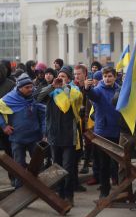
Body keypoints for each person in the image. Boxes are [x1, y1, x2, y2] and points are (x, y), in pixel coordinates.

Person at [37, 66, 83, 206]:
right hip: (54, 135)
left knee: (68, 167)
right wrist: (52, 86)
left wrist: (65, 88)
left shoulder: (74, 91)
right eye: (59, 76)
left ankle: (69, 196)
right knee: (56, 166)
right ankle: (60, 194)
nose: (61, 79)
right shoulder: (52, 92)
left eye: (64, 77)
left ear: (69, 79)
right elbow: (38, 97)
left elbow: (76, 99)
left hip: (69, 136)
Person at [0, 74, 46, 188]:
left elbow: (44, 115)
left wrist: (45, 133)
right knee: (18, 165)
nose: (31, 89)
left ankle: (39, 188)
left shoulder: (35, 97)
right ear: (19, 88)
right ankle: (19, 189)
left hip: (35, 137)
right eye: (27, 87)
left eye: (31, 87)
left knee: (38, 164)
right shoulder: (9, 99)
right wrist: (3, 126)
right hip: (17, 138)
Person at [84, 66, 120, 198]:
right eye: (105, 76)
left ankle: (120, 188)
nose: (107, 79)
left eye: (110, 76)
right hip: (102, 132)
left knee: (117, 163)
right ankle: (105, 191)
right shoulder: (98, 90)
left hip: (117, 130)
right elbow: (91, 94)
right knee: (103, 163)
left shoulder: (120, 89)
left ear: (115, 77)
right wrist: (87, 88)